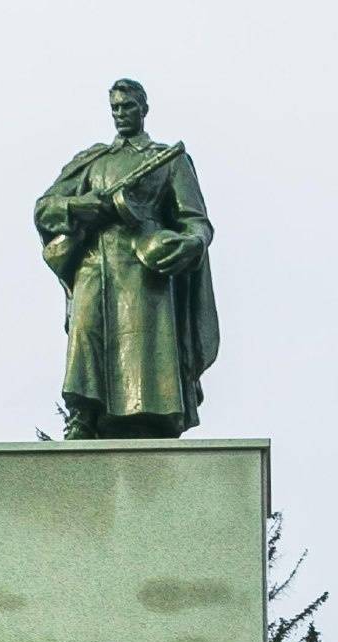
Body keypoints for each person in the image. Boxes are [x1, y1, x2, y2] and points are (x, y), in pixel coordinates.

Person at [35, 77, 219, 439]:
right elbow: (44, 209)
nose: (121, 114)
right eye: (115, 107)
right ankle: (83, 416)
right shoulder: (91, 160)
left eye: (128, 106)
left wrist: (193, 242)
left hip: (143, 267)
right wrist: (80, 206)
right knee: (86, 334)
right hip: (93, 263)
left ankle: (150, 417)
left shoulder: (166, 160)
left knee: (142, 347)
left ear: (144, 109)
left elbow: (196, 221)